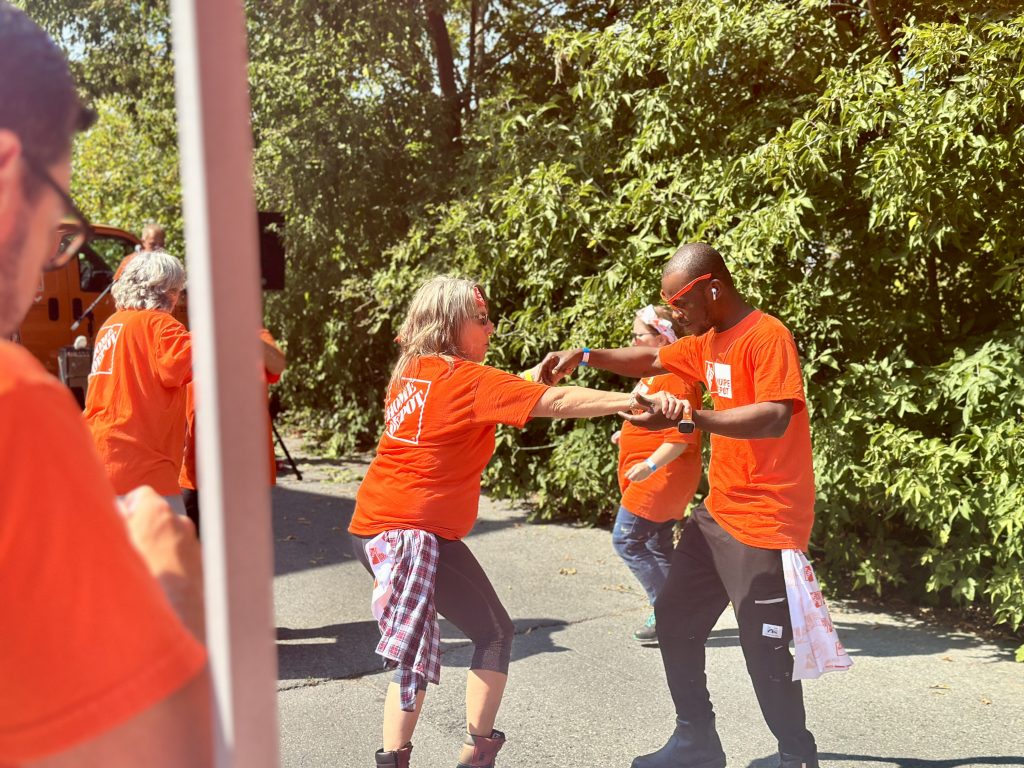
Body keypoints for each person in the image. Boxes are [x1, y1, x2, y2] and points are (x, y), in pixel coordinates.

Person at [348, 275, 684, 768]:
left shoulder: (415, 370)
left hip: (376, 526)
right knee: (479, 636)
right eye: (480, 320)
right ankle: (467, 755)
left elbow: (505, 390)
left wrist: (535, 377)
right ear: (450, 324)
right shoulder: (466, 381)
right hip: (409, 533)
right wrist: (631, 403)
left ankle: (436, 755)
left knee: (434, 641)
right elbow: (558, 402)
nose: (491, 327)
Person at [0, 4, 211, 765]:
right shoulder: (14, 404)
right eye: (62, 213)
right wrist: (172, 590)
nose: (54, 256)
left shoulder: (110, 328)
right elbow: (150, 749)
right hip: (151, 480)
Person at [539, 243, 821, 768]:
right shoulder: (706, 341)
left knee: (763, 652)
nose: (675, 317)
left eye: (680, 305)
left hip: (768, 517)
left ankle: (797, 757)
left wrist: (693, 418)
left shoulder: (766, 335)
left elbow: (776, 416)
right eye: (667, 308)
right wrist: (582, 355)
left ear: (713, 287)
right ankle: (698, 741)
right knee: (673, 616)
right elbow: (649, 357)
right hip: (720, 511)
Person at [612, 304, 703, 644]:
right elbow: (656, 423)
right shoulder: (657, 372)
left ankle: (671, 612)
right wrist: (627, 434)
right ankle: (678, 613)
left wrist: (648, 464)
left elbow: (680, 439)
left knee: (627, 540)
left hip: (660, 478)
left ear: (661, 336)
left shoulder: (674, 377)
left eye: (639, 335)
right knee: (658, 544)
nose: (633, 342)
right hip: (657, 477)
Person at [83, 250, 192, 514]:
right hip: (145, 471)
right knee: (168, 553)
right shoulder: (162, 326)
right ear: (170, 291)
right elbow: (193, 362)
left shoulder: (111, 325)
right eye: (179, 290)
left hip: (96, 461)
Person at [180, 326, 287, 534]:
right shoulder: (192, 337)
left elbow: (278, 365)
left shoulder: (256, 334)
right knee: (193, 540)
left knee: (239, 541)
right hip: (196, 457)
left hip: (243, 462)